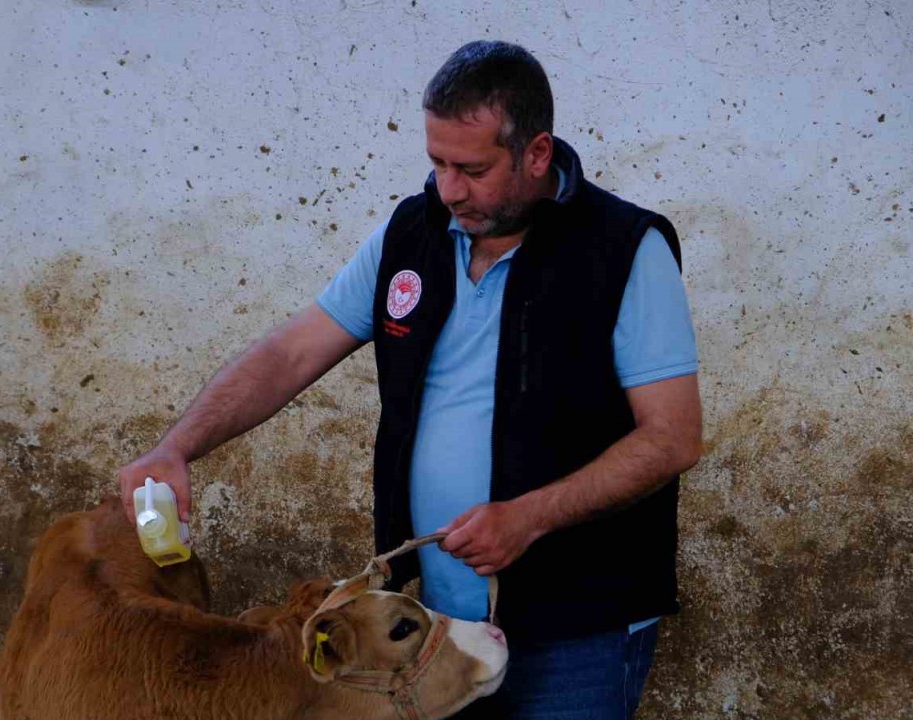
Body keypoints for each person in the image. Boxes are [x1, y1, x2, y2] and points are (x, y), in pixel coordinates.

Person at [118, 40, 702, 719]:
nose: (449, 188)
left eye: (473, 169)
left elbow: (673, 438)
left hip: (577, 630)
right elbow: (289, 354)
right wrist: (177, 447)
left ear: (537, 154)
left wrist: (529, 518)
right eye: (437, 163)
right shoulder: (411, 234)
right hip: (428, 630)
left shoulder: (625, 250)